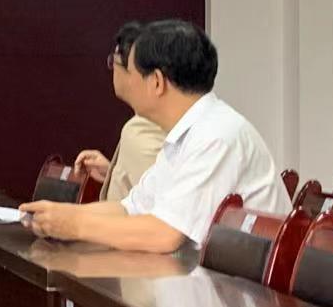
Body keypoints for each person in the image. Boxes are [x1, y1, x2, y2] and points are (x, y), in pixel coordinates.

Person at [19, 19, 290, 253]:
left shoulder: (217, 135)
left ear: (157, 82)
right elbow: (131, 208)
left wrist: (75, 225)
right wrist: (57, 214)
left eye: (131, 71)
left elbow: (165, 234)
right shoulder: (185, 135)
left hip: (243, 294)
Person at [73, 21, 165, 203]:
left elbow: (155, 204)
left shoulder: (141, 129)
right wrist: (114, 172)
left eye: (113, 62)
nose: (113, 70)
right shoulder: (148, 123)